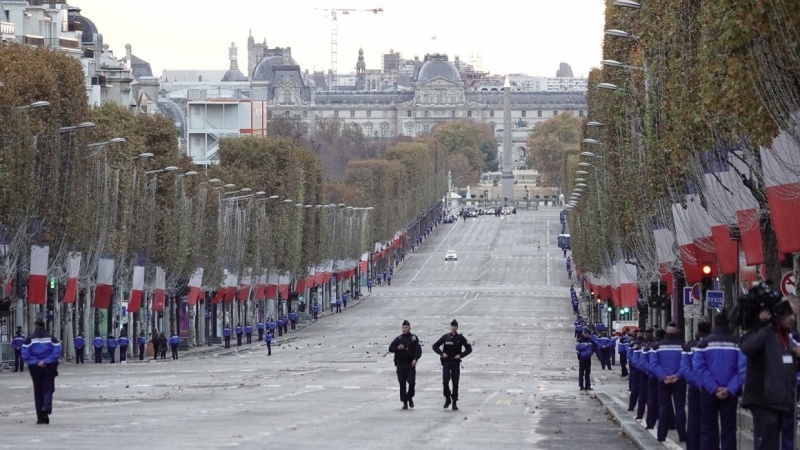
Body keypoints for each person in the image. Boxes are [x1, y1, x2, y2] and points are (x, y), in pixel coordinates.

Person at [741, 295, 800, 450]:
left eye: (795, 315)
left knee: (775, 442)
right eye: (790, 314)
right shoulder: (764, 331)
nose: (793, 318)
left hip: (782, 400)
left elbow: (790, 367)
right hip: (763, 400)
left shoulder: (789, 338)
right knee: (767, 442)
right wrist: (765, 325)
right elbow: (747, 347)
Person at [693, 312, 745, 450]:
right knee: (729, 429)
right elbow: (743, 370)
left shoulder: (704, 343)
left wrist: (713, 387)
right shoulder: (736, 343)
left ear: (714, 323)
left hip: (709, 392)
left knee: (708, 428)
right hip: (730, 392)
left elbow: (698, 367)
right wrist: (729, 388)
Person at [649, 322, 687, 442]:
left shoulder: (658, 346)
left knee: (664, 407)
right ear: (677, 331)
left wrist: (664, 376)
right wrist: (677, 376)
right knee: (680, 408)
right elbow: (685, 364)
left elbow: (654, 364)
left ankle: (661, 435)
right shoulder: (683, 346)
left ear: (666, 331)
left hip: (663, 381)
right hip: (679, 381)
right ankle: (682, 435)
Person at [21, 318, 61, 425]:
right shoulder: (51, 338)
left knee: (37, 391)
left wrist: (36, 361)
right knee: (48, 388)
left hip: (34, 368)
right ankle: (46, 407)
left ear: (35, 326)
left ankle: (40, 418)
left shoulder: (30, 339)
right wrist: (46, 361)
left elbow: (24, 353)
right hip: (48, 366)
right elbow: (57, 350)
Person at [680, 321, 711, 450]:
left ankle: (692, 446)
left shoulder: (690, 345)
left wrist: (696, 383)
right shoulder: (711, 345)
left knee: (693, 418)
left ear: (697, 330)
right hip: (710, 387)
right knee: (709, 420)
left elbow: (685, 368)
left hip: (694, 386)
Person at [432, 319, 472, 411]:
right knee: (445, 381)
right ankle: (447, 398)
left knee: (455, 382)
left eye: (455, 326)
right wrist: (442, 353)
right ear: (450, 327)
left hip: (455, 362)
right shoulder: (446, 337)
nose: (453, 328)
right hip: (446, 362)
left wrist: (461, 355)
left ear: (457, 327)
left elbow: (469, 348)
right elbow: (435, 346)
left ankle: (454, 402)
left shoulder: (460, 338)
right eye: (452, 326)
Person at [389, 320, 422, 410]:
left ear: (409, 328)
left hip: (410, 364)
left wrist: (415, 359)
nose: (405, 329)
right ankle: (405, 402)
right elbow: (390, 348)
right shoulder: (399, 338)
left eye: (406, 327)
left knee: (411, 383)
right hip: (400, 365)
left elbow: (418, 350)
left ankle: (410, 397)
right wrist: (397, 348)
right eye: (403, 328)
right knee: (402, 384)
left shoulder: (414, 338)